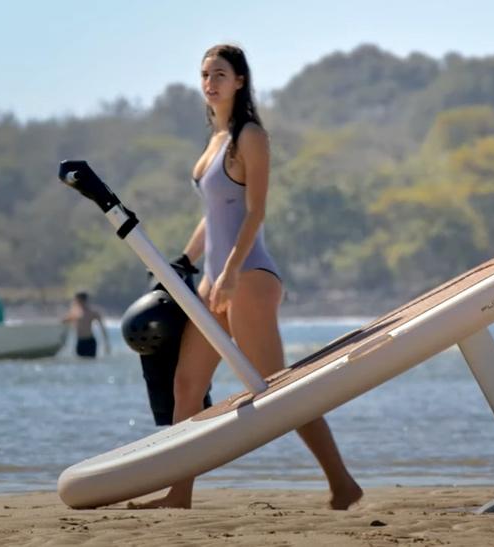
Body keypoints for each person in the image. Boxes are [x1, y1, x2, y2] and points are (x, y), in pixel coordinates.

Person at [128, 44, 361, 510]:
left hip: (249, 276)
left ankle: (342, 483)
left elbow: (255, 212)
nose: (210, 82)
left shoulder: (248, 135)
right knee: (186, 386)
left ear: (239, 81)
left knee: (277, 385)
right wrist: (183, 262)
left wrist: (230, 273)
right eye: (204, 74)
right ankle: (179, 493)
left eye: (219, 74)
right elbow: (213, 216)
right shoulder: (215, 139)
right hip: (213, 283)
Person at [62, 292, 109, 358]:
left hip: (90, 341)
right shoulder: (74, 312)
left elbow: (102, 328)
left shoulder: (93, 312)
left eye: (76, 300)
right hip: (80, 342)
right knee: (81, 363)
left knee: (90, 363)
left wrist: (106, 343)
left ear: (81, 300)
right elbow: (63, 322)